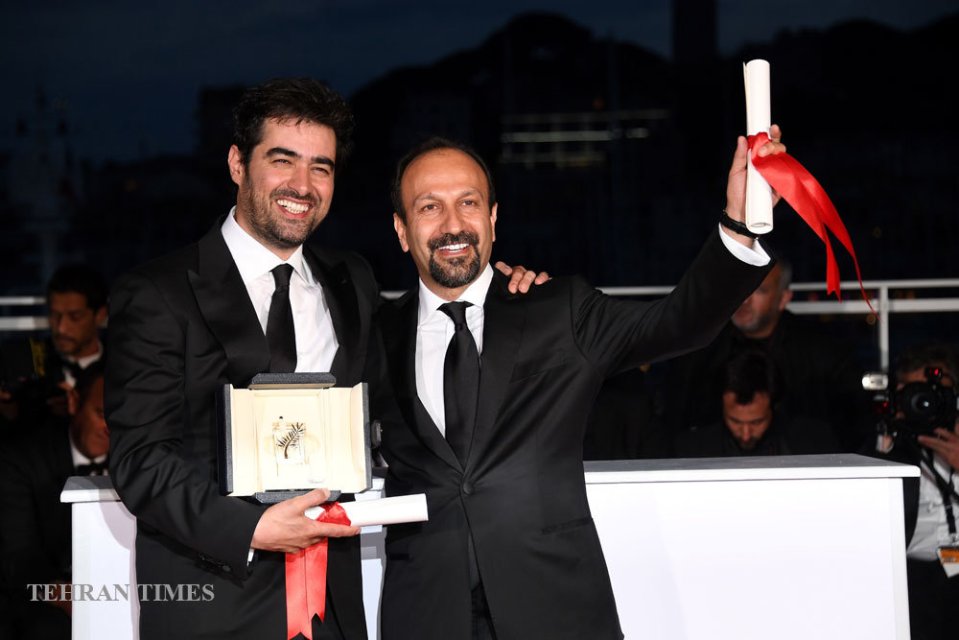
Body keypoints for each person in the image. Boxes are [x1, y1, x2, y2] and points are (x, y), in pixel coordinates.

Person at [104, 77, 540, 640]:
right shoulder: (158, 292)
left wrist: (500, 294)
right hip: (215, 605)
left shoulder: (351, 279)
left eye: (321, 167)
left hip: (333, 609)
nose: (302, 185)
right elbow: (140, 459)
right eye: (282, 160)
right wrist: (251, 528)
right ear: (237, 163)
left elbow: (404, 378)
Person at [373, 127, 786, 640]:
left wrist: (738, 224)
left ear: (493, 218)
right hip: (425, 613)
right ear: (401, 229)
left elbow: (681, 323)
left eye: (468, 202)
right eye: (430, 207)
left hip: (555, 606)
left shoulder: (558, 309)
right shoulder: (374, 334)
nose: (453, 224)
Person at [659, 257, 871, 451]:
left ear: (783, 298)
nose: (744, 300)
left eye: (758, 290)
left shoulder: (822, 351)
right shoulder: (698, 349)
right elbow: (674, 419)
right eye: (738, 288)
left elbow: (853, 423)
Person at [0, 362, 107, 640]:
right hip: (48, 596)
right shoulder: (21, 459)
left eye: (120, 419)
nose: (110, 429)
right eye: (101, 414)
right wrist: (74, 599)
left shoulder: (141, 461)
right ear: (74, 401)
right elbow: (20, 558)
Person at [871, 342, 959, 640]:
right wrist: (888, 442)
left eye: (933, 394)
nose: (925, 403)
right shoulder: (884, 441)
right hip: (911, 576)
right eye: (915, 394)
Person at [673, 348, 841, 457]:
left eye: (756, 422)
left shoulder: (813, 444)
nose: (746, 434)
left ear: (774, 407)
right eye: (735, 421)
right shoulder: (692, 450)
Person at [0, 263, 108, 429]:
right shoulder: (23, 358)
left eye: (75, 316)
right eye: (54, 315)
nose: (61, 327)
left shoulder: (120, 367)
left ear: (100, 315)